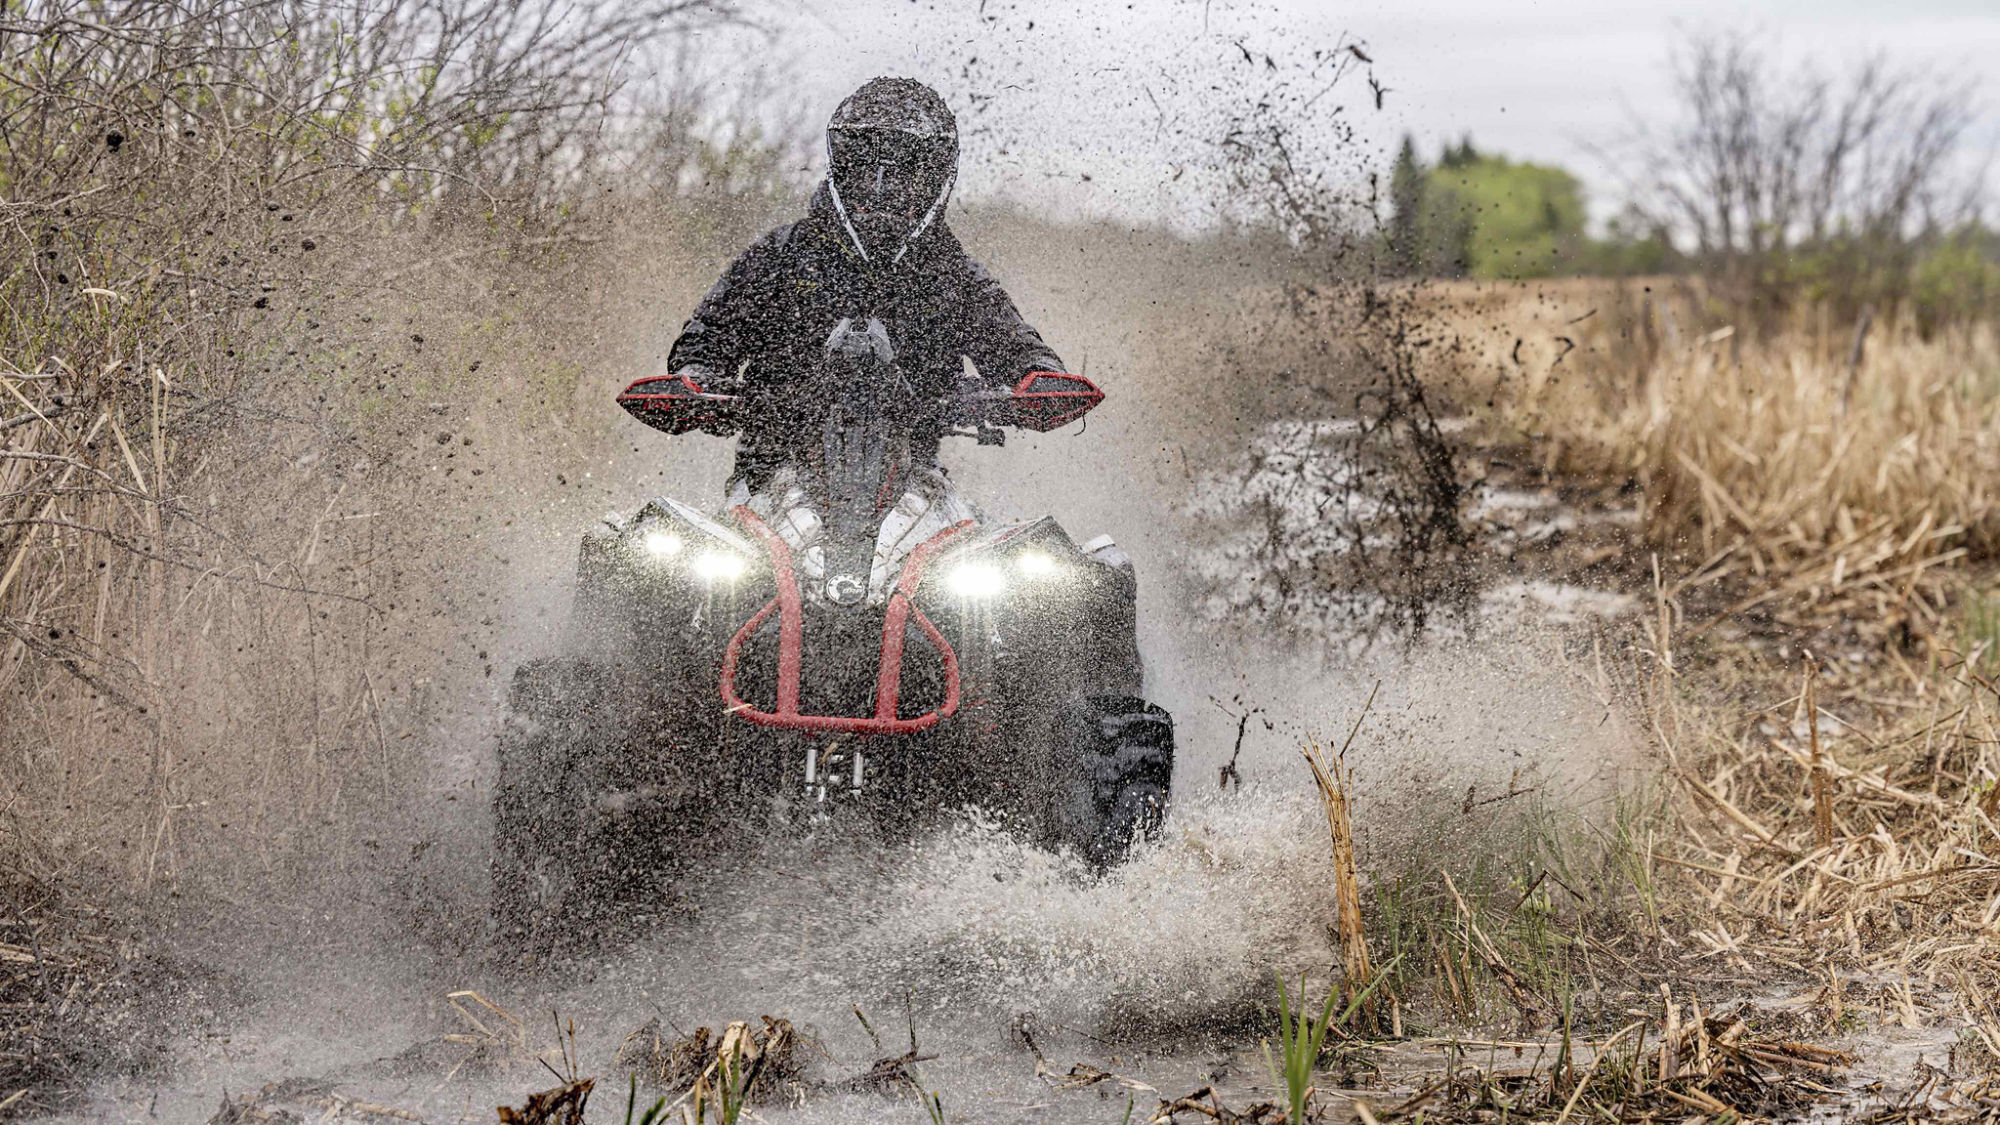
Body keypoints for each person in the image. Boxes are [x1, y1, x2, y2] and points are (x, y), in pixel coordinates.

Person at [650, 77, 1090, 492]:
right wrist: (695, 381)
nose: (881, 188)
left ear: (934, 181)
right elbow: (705, 342)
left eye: (902, 174)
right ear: (842, 169)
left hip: (913, 488)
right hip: (772, 480)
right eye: (866, 169)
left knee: (1046, 568)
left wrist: (1039, 380)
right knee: (659, 556)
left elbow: (1016, 347)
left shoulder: (952, 274)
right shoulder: (779, 256)